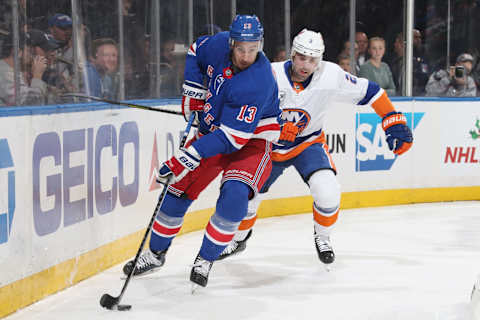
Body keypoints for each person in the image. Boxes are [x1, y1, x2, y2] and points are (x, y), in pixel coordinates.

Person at [217, 29, 414, 266]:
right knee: (245, 197)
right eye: (301, 57)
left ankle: (323, 237)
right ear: (292, 54)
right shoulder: (269, 73)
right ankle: (238, 239)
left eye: (312, 59)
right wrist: (275, 128)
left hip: (307, 143)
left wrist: (392, 118)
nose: (305, 65)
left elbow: (371, 92)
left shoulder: (330, 75)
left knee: (328, 193)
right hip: (267, 146)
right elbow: (240, 105)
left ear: (319, 60)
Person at [122, 15, 286, 288]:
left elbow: (231, 139)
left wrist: (184, 157)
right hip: (215, 132)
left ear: (261, 44)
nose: (246, 56)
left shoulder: (258, 81)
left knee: (235, 194)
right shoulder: (218, 45)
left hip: (252, 141)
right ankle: (154, 254)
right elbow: (196, 50)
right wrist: (194, 89)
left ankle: (206, 258)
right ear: (232, 42)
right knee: (177, 191)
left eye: (253, 48)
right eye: (241, 48)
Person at [0, 29, 57, 106]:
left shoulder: (13, 72)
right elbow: (30, 106)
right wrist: (37, 77)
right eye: (29, 51)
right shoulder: (4, 74)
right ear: (17, 52)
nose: (32, 56)